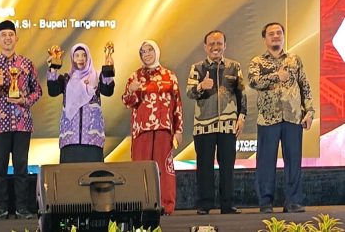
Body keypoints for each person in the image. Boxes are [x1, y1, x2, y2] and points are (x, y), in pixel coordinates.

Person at [0, 20, 42, 220]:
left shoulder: (27, 64)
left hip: (22, 122)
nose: (7, 38)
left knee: (21, 167)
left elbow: (37, 91)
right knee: (0, 168)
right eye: (3, 35)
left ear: (16, 38)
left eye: (10, 34)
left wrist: (24, 100)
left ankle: (22, 207)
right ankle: (0, 208)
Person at [248, 22, 313, 214]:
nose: (275, 36)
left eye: (279, 33)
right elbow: (253, 82)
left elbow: (305, 86)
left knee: (293, 161)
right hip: (268, 119)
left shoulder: (294, 60)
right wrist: (277, 76)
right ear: (265, 38)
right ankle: (266, 202)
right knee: (266, 162)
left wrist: (309, 111)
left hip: (293, 117)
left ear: (283, 37)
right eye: (271, 33)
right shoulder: (258, 61)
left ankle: (293, 201)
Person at [186, 31, 247, 215]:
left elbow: (242, 94)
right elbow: (189, 92)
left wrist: (242, 116)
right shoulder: (197, 68)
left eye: (219, 43)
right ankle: (204, 204)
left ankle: (227, 204)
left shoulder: (234, 67)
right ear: (205, 47)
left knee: (227, 166)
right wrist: (200, 86)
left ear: (225, 46)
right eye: (211, 44)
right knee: (204, 166)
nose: (215, 47)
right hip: (203, 124)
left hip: (228, 124)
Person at [122, 40, 182, 215]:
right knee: (141, 168)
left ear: (156, 52)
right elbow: (127, 102)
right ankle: (142, 204)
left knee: (164, 168)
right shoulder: (135, 76)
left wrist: (178, 130)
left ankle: (166, 205)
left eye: (149, 50)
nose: (146, 54)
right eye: (143, 52)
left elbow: (177, 104)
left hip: (164, 129)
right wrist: (131, 91)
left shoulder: (169, 76)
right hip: (142, 130)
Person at [46, 43, 114, 163]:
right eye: (77, 55)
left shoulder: (97, 77)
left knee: (93, 173)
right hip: (70, 140)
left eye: (84, 55)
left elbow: (108, 91)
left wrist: (108, 70)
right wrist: (53, 68)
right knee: (69, 173)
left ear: (88, 57)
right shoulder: (66, 79)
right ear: (72, 58)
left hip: (92, 140)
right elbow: (53, 91)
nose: (80, 58)